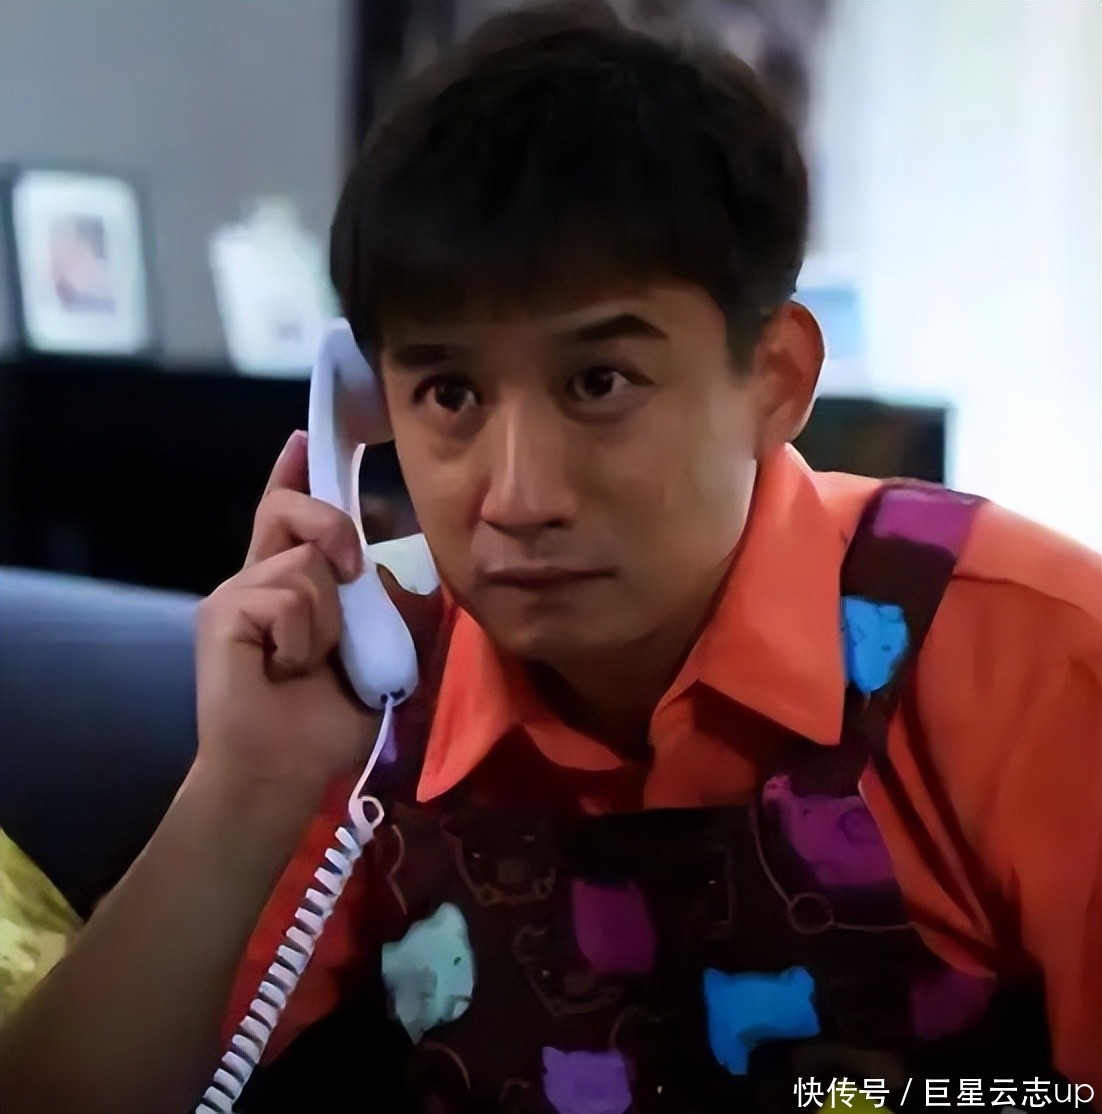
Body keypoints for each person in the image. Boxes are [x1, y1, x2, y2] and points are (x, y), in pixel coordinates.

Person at [2, 2, 1099, 1111]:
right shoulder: (371, 674)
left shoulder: (1021, 646)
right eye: (449, 394)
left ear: (773, 379)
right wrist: (246, 787)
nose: (519, 499)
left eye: (599, 383)